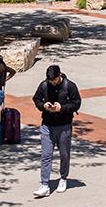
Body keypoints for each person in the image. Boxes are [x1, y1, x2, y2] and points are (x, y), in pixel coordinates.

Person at [33, 65, 82, 198]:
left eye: (54, 80)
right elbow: (36, 99)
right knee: (46, 155)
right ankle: (44, 184)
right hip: (47, 125)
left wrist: (62, 108)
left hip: (64, 126)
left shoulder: (70, 86)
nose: (52, 82)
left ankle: (63, 178)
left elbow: (76, 103)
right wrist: (43, 106)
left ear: (59, 75)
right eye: (50, 80)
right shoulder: (44, 85)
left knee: (64, 154)